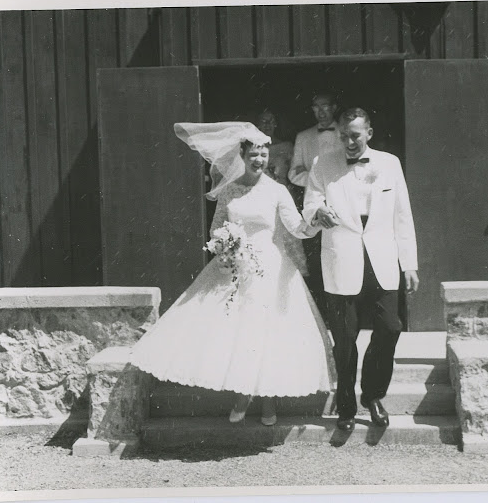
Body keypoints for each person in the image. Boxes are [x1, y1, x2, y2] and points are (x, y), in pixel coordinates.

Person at [129, 122, 334, 427]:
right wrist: (226, 244)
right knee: (238, 335)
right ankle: (242, 394)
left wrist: (315, 222)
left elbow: (296, 228)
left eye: (263, 154)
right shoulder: (229, 191)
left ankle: (268, 400)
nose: (259, 160)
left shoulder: (277, 191)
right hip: (234, 268)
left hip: (269, 269)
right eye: (253, 155)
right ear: (242, 156)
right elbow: (216, 228)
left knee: (267, 333)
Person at [303, 108, 420, 432]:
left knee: (390, 327)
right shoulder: (323, 163)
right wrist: (318, 213)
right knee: (344, 339)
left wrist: (409, 264)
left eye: (355, 135)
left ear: (369, 132)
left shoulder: (390, 163)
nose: (349, 142)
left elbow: (402, 216)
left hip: (382, 261)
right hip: (342, 259)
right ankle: (345, 406)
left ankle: (373, 395)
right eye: (343, 136)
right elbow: (310, 203)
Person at [288, 92, 345, 318]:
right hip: (314, 206)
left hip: (343, 205)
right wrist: (317, 179)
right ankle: (322, 313)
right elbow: (294, 172)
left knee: (342, 256)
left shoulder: (346, 133)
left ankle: (342, 312)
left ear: (334, 107)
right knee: (317, 259)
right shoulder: (304, 137)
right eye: (316, 107)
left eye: (325, 106)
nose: (321, 112)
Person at [257, 108, 308, 277]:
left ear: (276, 124)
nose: (268, 124)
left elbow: (296, 171)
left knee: (288, 237)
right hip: (260, 197)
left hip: (282, 196)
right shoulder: (253, 149)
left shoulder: (286, 147)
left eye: (271, 121)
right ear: (258, 124)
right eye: (264, 121)